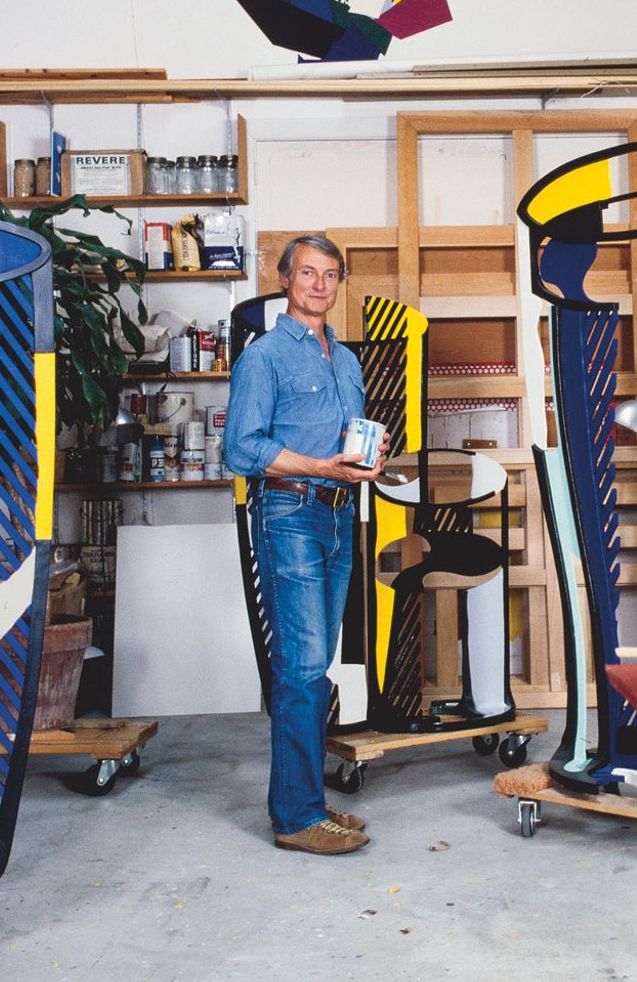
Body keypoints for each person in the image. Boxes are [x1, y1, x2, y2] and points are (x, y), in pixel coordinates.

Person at [223, 234, 388, 855]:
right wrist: (323, 467)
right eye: (307, 273)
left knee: (316, 665)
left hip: (340, 513)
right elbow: (241, 449)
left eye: (330, 275)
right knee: (300, 666)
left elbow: (344, 442)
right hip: (289, 510)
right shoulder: (264, 356)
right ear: (285, 278)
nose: (319, 284)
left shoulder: (344, 360)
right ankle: (295, 818)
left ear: (339, 283)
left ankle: (308, 801)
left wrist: (367, 459)